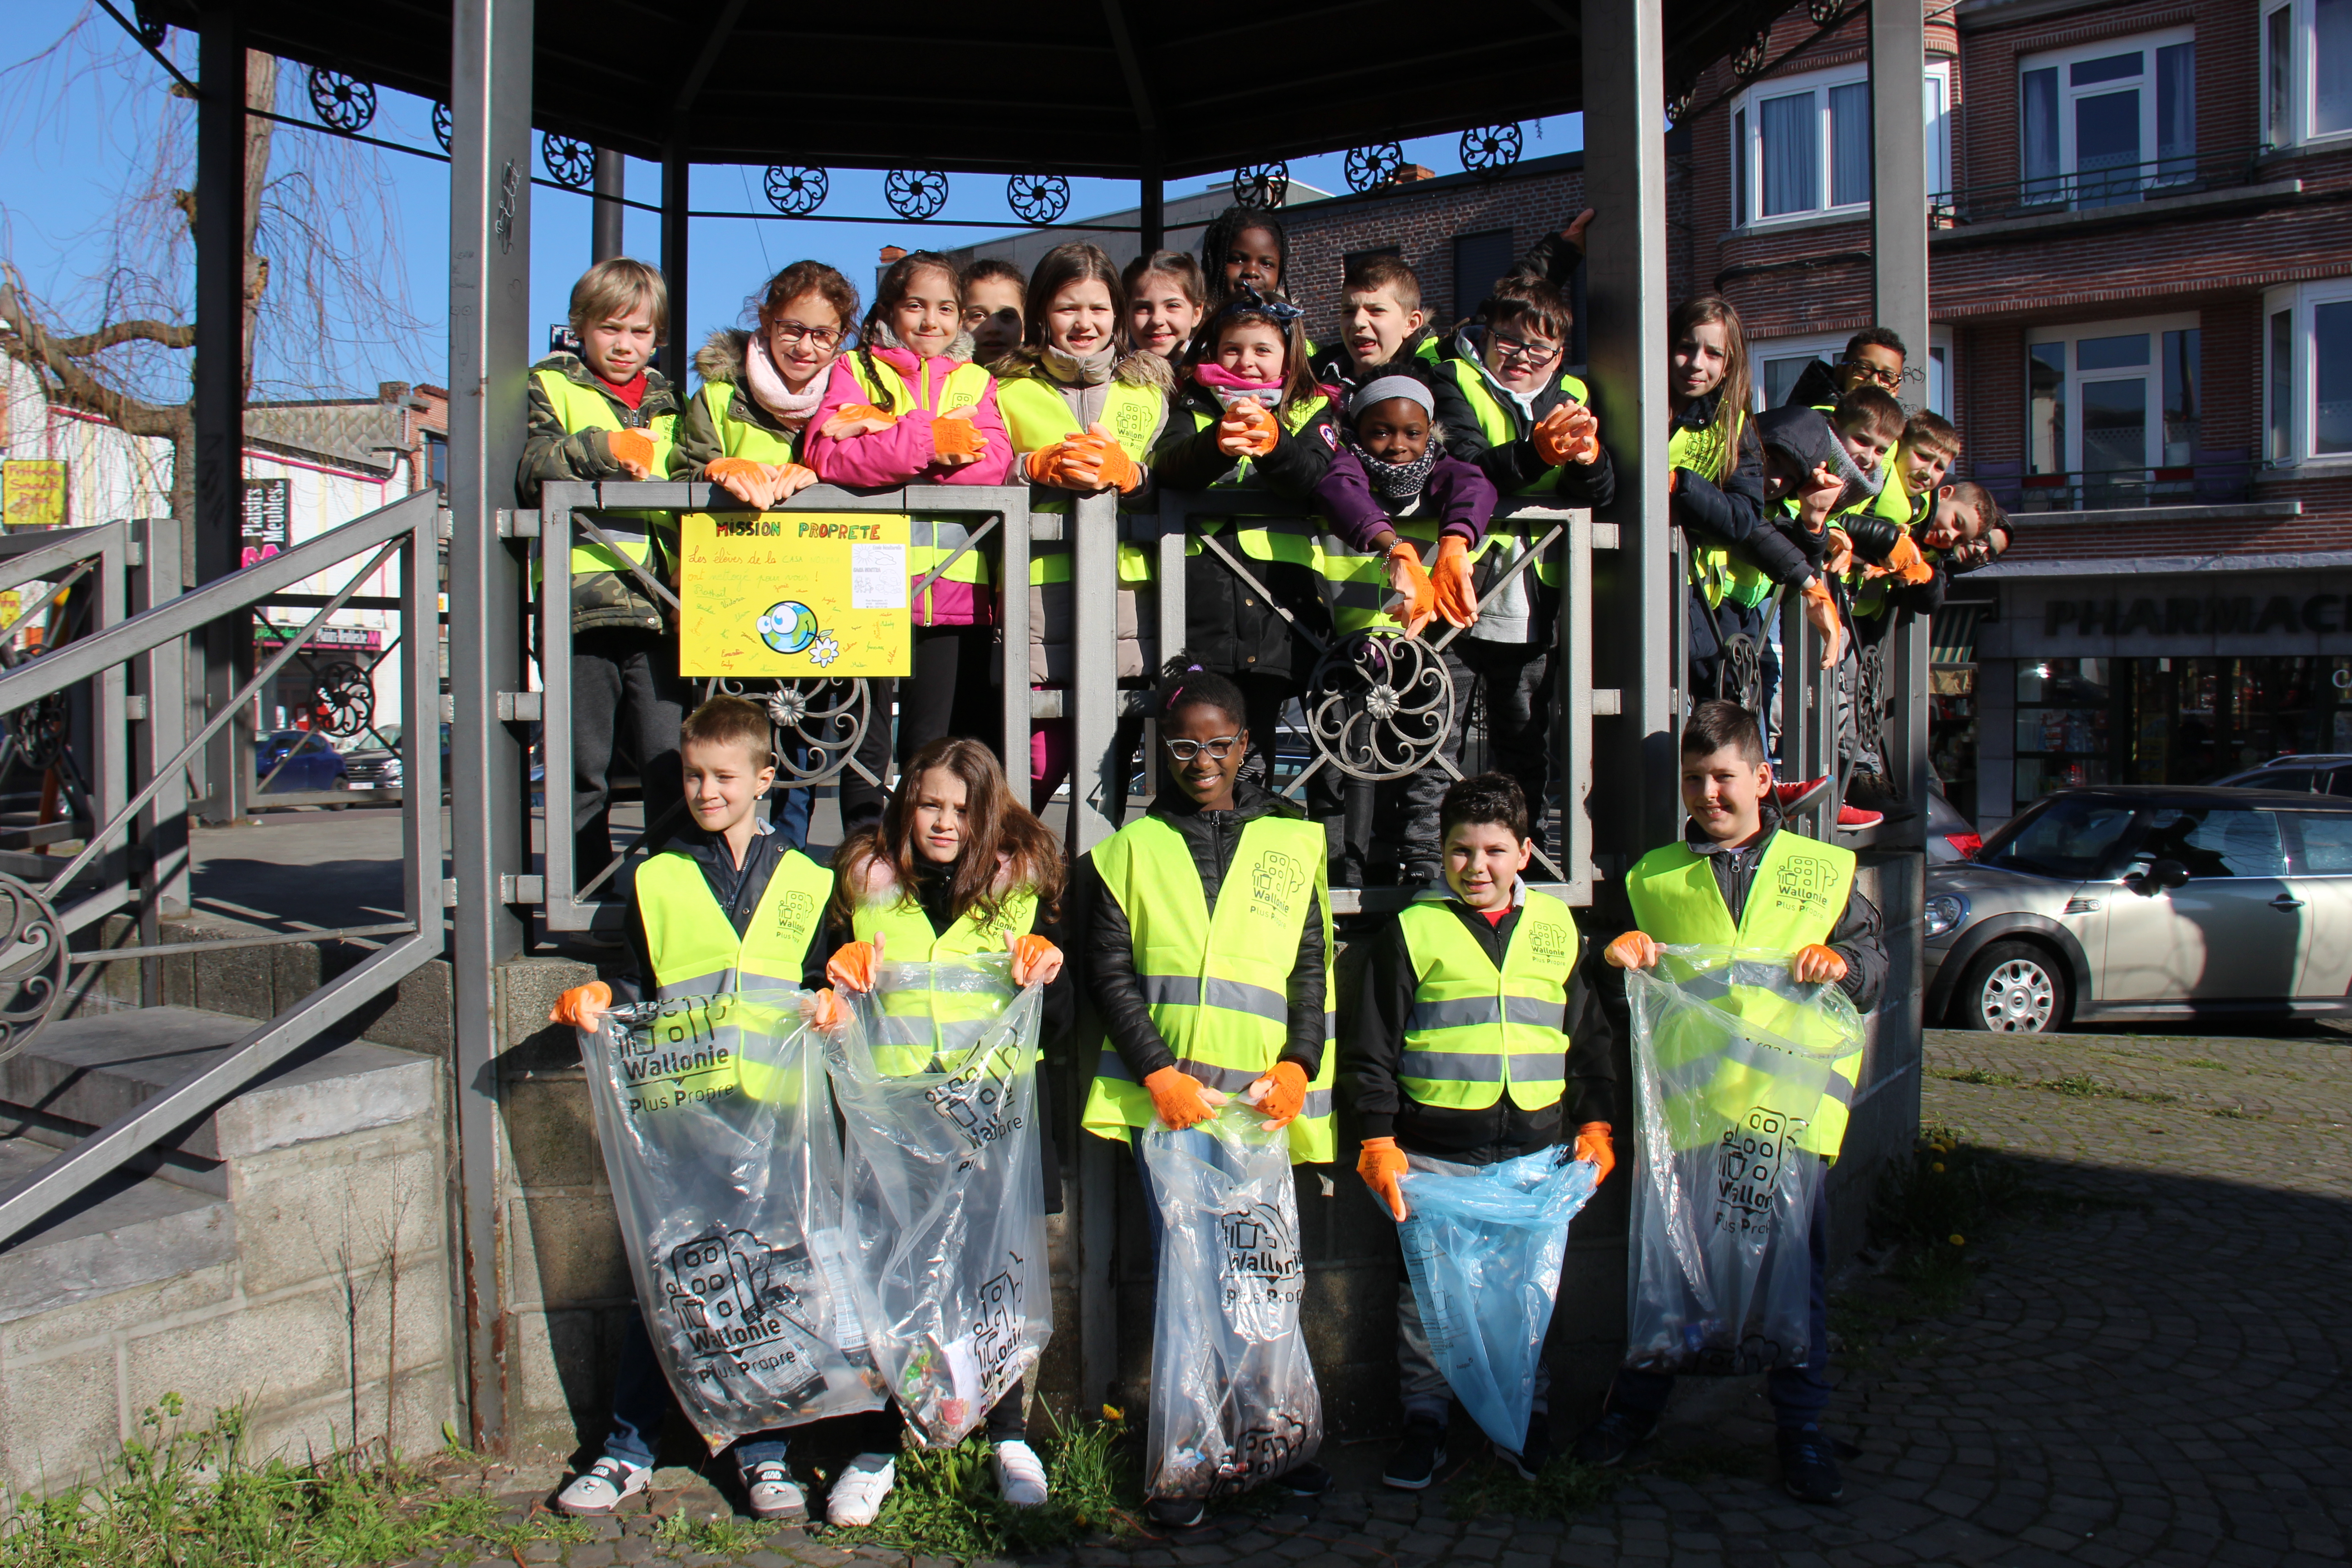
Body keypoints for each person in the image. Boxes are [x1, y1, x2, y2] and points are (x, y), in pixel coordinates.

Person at [544, 695, 849, 1524]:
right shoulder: (659, 875)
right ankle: (625, 1450)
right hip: (681, 1116)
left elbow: (823, 980)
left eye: (722, 776)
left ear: (764, 778)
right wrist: (599, 996)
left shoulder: (811, 878)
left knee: (769, 1287)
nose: (705, 789)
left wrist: (832, 999)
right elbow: (639, 984)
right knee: (670, 1286)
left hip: (775, 1117)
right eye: (692, 775)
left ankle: (763, 1452)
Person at [1575, 700, 1882, 1506]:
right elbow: (1609, 989)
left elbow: (1873, 964)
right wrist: (1616, 959)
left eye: (1720, 778)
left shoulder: (1822, 870)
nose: (1705, 794)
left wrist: (1840, 962)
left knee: (1794, 1280)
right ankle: (1633, 1412)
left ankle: (1800, 1431)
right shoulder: (1650, 876)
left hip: (1786, 1118)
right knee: (1669, 1270)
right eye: (1690, 780)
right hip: (1692, 1113)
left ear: (1760, 777)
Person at [1078, 662, 1336, 1528]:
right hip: (1174, 1109)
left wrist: (1302, 1060)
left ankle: (1276, 1435)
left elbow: (1310, 969)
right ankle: (1190, 1451)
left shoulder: (1295, 841)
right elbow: (1108, 973)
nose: (1199, 760)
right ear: (1161, 750)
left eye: (1216, 745)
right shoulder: (1125, 853)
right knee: (1186, 1284)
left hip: (1261, 1107)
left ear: (1245, 748)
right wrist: (1155, 1069)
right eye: (1182, 746)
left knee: (1263, 1280)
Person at [819, 736, 1070, 1521]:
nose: (943, 821)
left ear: (986, 814)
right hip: (894, 1125)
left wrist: (1044, 970)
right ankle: (879, 1439)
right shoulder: (866, 884)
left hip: (991, 1123)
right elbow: (822, 988)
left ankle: (1006, 1432)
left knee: (989, 1275)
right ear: (905, 800)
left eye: (961, 810)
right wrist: (834, 978)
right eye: (929, 802)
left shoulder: (1021, 889)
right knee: (888, 1276)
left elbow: (1055, 1023)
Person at [1346, 772, 1615, 1489]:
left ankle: (1527, 1417)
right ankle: (1425, 1420)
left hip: (1535, 1151)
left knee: (1526, 1291)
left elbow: (1587, 1037)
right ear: (1441, 852)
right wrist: (1377, 1138)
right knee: (1429, 1298)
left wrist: (1597, 1123)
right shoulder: (1413, 929)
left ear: (1525, 853)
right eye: (1461, 851)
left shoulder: (1558, 929)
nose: (1477, 867)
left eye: (1495, 850)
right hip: (1435, 1157)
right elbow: (1372, 1047)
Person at [807, 250, 1013, 834]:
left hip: (954, 588)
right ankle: (865, 854)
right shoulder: (854, 370)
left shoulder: (977, 380)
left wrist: (890, 438)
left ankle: (928, 862)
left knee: (933, 743)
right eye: (915, 306)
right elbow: (829, 455)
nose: (931, 322)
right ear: (890, 311)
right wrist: (931, 442)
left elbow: (993, 463)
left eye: (947, 309)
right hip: (869, 582)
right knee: (863, 738)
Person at [670, 259, 861, 849]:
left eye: (822, 333)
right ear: (765, 320)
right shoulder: (722, 396)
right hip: (732, 600)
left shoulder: (846, 398)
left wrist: (823, 480)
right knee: (733, 741)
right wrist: (715, 471)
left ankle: (785, 865)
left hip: (817, 599)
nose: (806, 345)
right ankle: (724, 864)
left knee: (800, 752)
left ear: (841, 338)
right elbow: (679, 465)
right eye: (792, 328)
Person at [1425, 278, 1617, 857]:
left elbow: (1603, 492)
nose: (1521, 358)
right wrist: (1537, 453)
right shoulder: (1451, 378)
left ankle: (1520, 858)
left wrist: (1587, 462)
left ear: (1560, 354)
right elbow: (1466, 464)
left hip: (1537, 596)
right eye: (1508, 341)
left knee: (1524, 741)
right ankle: (1430, 860)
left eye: (1540, 349)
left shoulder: (1577, 393)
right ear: (1485, 336)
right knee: (1439, 740)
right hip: (1458, 587)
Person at [519, 258, 689, 894]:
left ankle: (670, 897)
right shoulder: (548, 384)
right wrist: (602, 450)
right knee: (580, 764)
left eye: (641, 333)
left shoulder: (673, 404)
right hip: (579, 605)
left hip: (660, 607)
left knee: (667, 763)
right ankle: (581, 894)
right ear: (581, 328)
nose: (625, 345)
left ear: (658, 337)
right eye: (611, 329)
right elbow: (530, 464)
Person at [992, 242, 1174, 809]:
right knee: (1038, 758)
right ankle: (1016, 870)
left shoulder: (1150, 390)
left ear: (1117, 315)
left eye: (1098, 309)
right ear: (1042, 311)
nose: (1084, 323)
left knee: (1113, 760)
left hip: (1130, 591)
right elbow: (980, 472)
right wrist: (1028, 470)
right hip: (1036, 590)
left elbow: (1173, 476)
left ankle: (1098, 887)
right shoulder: (1005, 388)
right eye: (1069, 308)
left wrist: (1136, 477)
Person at [1309, 377, 1498, 883]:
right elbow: (1338, 490)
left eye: (1412, 433)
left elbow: (1476, 485)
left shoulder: (1443, 468)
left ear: (1430, 433)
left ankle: (1422, 867)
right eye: (1380, 433)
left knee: (1432, 756)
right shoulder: (1345, 467)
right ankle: (1341, 874)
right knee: (1342, 760)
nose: (1398, 446)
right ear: (1357, 432)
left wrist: (1457, 541)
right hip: (1349, 644)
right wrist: (1394, 545)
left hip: (1429, 645)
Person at [1150, 289, 1338, 794]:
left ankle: (1250, 831)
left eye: (1262, 350)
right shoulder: (1189, 404)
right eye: (1233, 349)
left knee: (1255, 749)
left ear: (1288, 355)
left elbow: (1315, 477)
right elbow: (1168, 465)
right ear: (1212, 351)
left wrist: (1275, 444)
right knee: (1192, 739)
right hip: (1201, 606)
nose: (1247, 363)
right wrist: (1215, 445)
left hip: (1279, 609)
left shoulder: (1310, 408)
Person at [1666, 296, 1838, 710]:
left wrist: (1678, 484)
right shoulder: (1622, 400)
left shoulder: (1734, 426)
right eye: (1686, 347)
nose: (1696, 363)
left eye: (1713, 353)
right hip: (1626, 588)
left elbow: (1747, 521)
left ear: (1730, 364)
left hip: (1696, 603)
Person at [1307, 253, 1435, 397]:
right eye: (1349, 311)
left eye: (1376, 311)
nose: (1358, 322)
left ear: (1411, 324)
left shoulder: (1435, 386)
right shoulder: (1309, 380)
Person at [1780, 326, 1906, 411]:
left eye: (1887, 376)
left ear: (1895, 391)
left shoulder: (1896, 435)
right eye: (1864, 368)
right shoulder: (1817, 422)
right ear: (1841, 373)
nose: (1874, 380)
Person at [1197, 205, 1292, 312]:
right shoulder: (1196, 324)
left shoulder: (1286, 325)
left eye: (1266, 264)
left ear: (1279, 272)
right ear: (1216, 263)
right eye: (1238, 260)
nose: (1252, 272)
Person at [1124, 250, 1207, 364]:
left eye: (1172, 306)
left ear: (1196, 314)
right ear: (1127, 313)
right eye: (1143, 308)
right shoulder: (1109, 375)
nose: (1157, 320)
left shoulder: (1216, 372)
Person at [961, 257, 1028, 368]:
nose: (993, 328)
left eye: (1007, 316)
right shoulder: (937, 382)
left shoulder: (1042, 384)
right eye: (978, 316)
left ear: (1025, 326)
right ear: (958, 322)